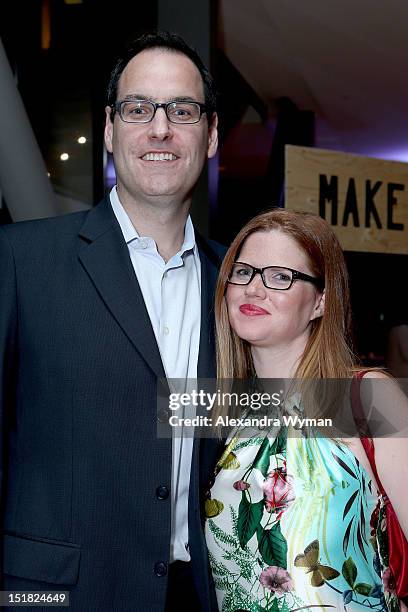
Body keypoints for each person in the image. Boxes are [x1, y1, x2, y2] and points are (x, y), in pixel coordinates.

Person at [0, 31, 224, 611]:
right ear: (108, 128)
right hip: (54, 596)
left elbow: (269, 416)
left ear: (211, 135)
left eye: (182, 109)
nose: (159, 128)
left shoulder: (237, 284)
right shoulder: (21, 261)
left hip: (196, 596)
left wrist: (370, 402)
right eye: (137, 108)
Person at [204, 209, 408, 612]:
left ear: (319, 302)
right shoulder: (222, 414)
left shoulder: (367, 397)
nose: (254, 289)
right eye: (243, 272)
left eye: (281, 276)